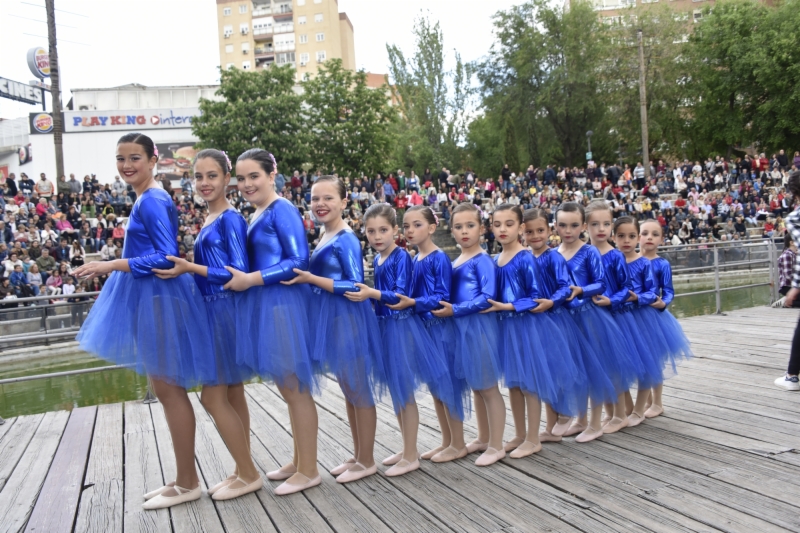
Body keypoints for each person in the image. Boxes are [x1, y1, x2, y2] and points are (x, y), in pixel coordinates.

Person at [74, 132, 214, 511]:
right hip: (150, 297)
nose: (127, 165)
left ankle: (187, 482)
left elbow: (167, 256)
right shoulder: (146, 198)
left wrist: (109, 264)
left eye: (135, 157)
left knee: (169, 390)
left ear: (153, 159)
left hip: (159, 298)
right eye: (121, 158)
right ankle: (183, 478)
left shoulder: (152, 200)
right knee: (165, 387)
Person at [153, 148, 261, 500]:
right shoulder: (212, 219)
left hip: (225, 311)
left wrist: (189, 267)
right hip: (215, 310)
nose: (204, 183)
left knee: (212, 397)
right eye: (198, 176)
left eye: (212, 175)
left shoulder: (230, 219)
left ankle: (248, 473)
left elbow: (238, 273)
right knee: (232, 393)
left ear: (227, 178)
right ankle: (241, 468)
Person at [220, 149, 321, 495]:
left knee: (295, 388)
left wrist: (252, 279)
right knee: (285, 385)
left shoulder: (283, 209)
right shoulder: (257, 213)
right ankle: (299, 458)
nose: (247, 184)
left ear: (272, 173)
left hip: (282, 303)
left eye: (254, 176)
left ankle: (309, 469)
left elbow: (299, 261)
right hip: (266, 302)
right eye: (242, 178)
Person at [283, 176, 386, 483]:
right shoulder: (326, 236)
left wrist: (310, 279)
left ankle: (367, 459)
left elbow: (355, 285)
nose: (320, 204)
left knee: (357, 387)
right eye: (315, 198)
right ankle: (358, 454)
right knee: (348, 388)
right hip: (332, 317)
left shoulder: (346, 239)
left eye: (328, 198)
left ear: (344, 202)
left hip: (347, 318)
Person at [346, 203, 455, 476]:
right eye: (371, 231)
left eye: (383, 230)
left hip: (401, 328)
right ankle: (408, 448)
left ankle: (410, 454)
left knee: (404, 391)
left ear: (395, 230)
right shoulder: (380, 260)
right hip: (385, 327)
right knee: (396, 390)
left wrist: (372, 294)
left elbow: (399, 296)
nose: (377, 236)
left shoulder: (400, 257)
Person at [482, 204, 578, 458]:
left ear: (520, 228)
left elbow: (535, 296)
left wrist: (509, 306)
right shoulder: (494, 259)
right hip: (505, 327)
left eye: (509, 224)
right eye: (497, 224)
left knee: (529, 383)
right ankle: (520, 433)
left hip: (525, 326)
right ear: (491, 227)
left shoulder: (525, 258)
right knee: (513, 383)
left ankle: (534, 438)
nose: (503, 229)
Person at [385, 205, 467, 462]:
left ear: (432, 228)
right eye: (407, 226)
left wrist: (413, 303)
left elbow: (441, 297)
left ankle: (459, 442)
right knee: (436, 388)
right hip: (424, 330)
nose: (410, 230)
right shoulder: (413, 258)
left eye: (417, 225)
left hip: (439, 328)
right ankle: (447, 441)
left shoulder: (438, 257)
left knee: (448, 386)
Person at [553, 202, 639, 443]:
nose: (568, 230)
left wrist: (584, 291)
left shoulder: (593, 252)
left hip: (592, 316)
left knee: (598, 368)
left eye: (573, 225)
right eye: (562, 225)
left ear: (581, 226)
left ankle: (598, 421)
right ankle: (581, 419)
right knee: (579, 369)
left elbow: (603, 284)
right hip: (567, 319)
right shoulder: (556, 253)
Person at [430, 202, 506, 466]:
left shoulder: (482, 260)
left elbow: (487, 298)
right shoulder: (456, 260)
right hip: (460, 327)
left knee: (488, 387)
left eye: (470, 226)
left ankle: (497, 445)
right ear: (451, 230)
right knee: (476, 384)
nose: (464, 232)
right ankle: (484, 437)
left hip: (478, 327)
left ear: (482, 229)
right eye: (458, 227)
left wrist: (457, 310)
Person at [523, 208, 591, 443]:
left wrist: (551, 301)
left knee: (559, 370)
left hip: (556, 319)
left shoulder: (554, 257)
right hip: (534, 321)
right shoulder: (525, 258)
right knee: (545, 372)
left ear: (549, 230)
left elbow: (565, 287)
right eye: (530, 231)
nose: (535, 235)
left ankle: (565, 412)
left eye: (540, 230)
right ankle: (550, 426)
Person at [611, 217, 670, 426]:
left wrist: (639, 298)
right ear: (613, 237)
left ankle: (640, 408)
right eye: (621, 236)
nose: (627, 241)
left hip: (643, 316)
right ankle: (627, 407)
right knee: (622, 362)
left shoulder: (645, 263)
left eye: (631, 236)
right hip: (619, 318)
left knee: (647, 362)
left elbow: (653, 292)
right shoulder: (612, 261)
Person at [639, 220, 694, 407]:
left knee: (654, 359)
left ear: (662, 240)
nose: (649, 237)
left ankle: (657, 403)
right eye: (645, 233)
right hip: (633, 315)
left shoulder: (662, 264)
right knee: (640, 358)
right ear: (638, 236)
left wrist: (663, 303)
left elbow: (668, 290)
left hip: (654, 316)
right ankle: (644, 402)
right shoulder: (630, 260)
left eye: (655, 234)